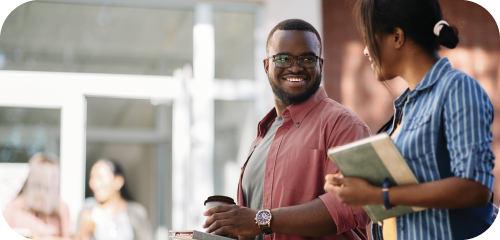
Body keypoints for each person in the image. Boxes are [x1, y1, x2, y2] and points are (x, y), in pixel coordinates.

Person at [324, 0, 495, 239]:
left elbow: (475, 188)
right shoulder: (405, 108)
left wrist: (377, 195)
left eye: (368, 37)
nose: (365, 49)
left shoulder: (456, 88)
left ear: (397, 36)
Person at [203, 19, 372, 240]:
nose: (295, 67)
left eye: (307, 59)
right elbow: (251, 227)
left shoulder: (344, 125)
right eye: (283, 58)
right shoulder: (262, 136)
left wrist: (260, 220)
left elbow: (351, 205)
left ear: (320, 65)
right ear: (266, 66)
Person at [75, 159, 152, 240]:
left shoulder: (136, 212)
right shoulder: (88, 209)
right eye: (92, 178)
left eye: (100, 177)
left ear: (118, 180)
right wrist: (81, 236)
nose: (94, 183)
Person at [1, 152, 71, 239]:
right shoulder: (15, 206)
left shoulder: (61, 207)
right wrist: (27, 236)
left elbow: (67, 238)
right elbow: (2, 234)